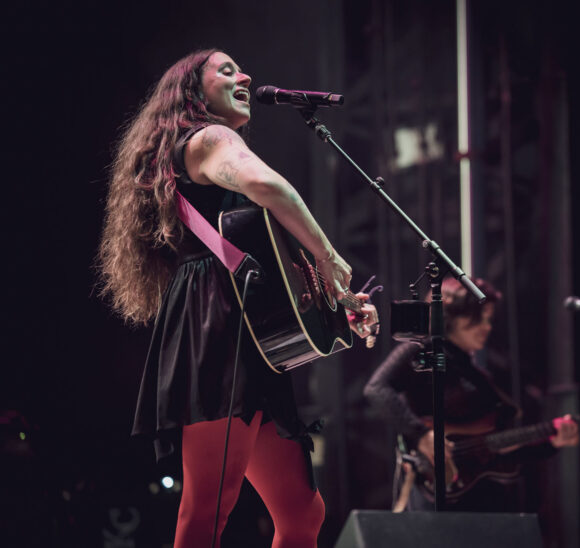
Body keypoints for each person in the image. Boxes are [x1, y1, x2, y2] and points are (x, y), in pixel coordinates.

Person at [97, 49, 377, 548]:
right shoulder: (210, 138)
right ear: (192, 93)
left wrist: (339, 301)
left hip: (242, 328)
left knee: (300, 512)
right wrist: (331, 256)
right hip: (219, 328)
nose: (244, 74)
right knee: (207, 508)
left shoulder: (196, 154)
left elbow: (274, 271)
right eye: (225, 70)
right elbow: (266, 184)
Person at [364, 277, 578, 512]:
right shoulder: (420, 350)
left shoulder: (478, 376)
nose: (487, 326)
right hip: (432, 491)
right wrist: (421, 434)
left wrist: (551, 444)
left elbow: (496, 450)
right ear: (450, 315)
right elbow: (377, 389)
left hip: (480, 497)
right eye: (478, 318)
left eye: (489, 318)